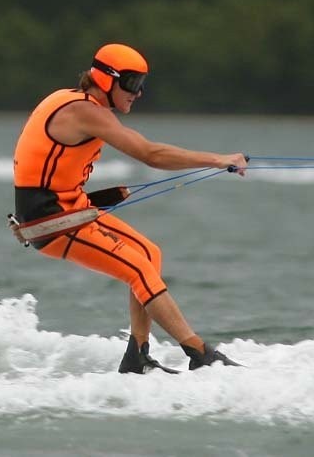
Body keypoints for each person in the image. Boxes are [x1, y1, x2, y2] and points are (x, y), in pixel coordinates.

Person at [12, 42, 248, 374]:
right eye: (132, 83)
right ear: (106, 79)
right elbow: (151, 154)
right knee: (137, 270)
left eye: (141, 85)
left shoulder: (79, 104)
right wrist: (218, 159)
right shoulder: (84, 110)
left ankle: (137, 354)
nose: (137, 93)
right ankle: (199, 353)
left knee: (148, 255)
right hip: (50, 222)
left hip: (70, 210)